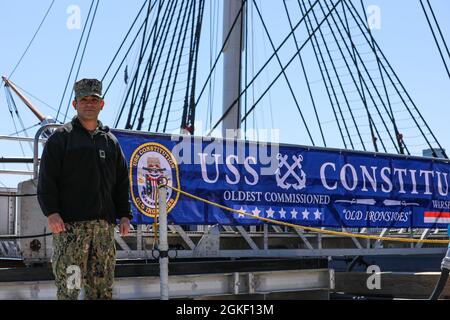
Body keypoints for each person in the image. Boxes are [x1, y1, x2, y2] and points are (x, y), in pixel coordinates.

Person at [37, 78, 132, 300]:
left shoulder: (110, 142)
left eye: (94, 99)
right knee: (70, 289)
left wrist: (125, 215)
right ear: (75, 104)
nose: (89, 103)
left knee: (101, 291)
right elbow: (47, 180)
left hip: (103, 232)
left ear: (102, 104)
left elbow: (120, 182)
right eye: (84, 99)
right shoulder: (61, 139)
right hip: (70, 230)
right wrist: (52, 212)